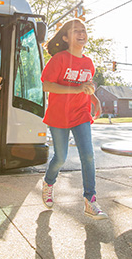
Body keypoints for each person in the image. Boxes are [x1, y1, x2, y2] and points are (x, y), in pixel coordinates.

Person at [40, 18, 107, 220]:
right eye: (76, 30)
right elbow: (47, 86)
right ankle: (48, 183)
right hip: (58, 116)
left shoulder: (88, 63)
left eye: (83, 30)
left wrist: (93, 96)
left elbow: (86, 84)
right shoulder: (59, 59)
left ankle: (90, 200)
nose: (81, 33)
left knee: (88, 155)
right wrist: (77, 88)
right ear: (66, 37)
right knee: (60, 157)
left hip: (81, 114)